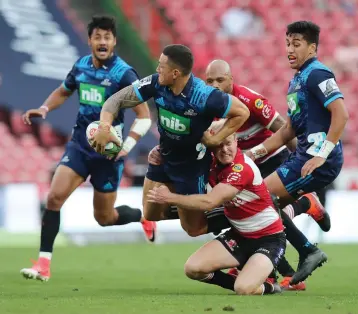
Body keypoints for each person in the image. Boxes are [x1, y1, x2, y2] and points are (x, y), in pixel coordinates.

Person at [20, 16, 155, 282]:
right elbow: (64, 90)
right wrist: (45, 108)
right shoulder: (81, 66)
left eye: (107, 37)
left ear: (114, 41)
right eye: (97, 37)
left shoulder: (124, 74)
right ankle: (43, 265)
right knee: (53, 199)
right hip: (80, 145)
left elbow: (144, 116)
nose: (102, 42)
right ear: (90, 40)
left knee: (104, 218)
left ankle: (142, 216)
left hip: (108, 154)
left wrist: (126, 146)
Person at [91, 44, 250, 235]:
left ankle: (235, 214)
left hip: (192, 166)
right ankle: (189, 208)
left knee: (193, 229)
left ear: (175, 73)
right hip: (164, 156)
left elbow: (242, 112)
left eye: (161, 66)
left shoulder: (204, 96)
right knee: (150, 213)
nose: (157, 70)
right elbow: (115, 100)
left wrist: (216, 141)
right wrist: (104, 126)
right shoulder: (155, 83)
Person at [205, 59, 330, 290]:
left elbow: (284, 129)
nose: (214, 85)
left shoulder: (250, 101)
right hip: (240, 167)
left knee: (266, 210)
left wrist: (302, 166)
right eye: (209, 81)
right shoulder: (206, 106)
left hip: (272, 160)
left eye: (220, 80)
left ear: (231, 80)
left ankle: (288, 265)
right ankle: (304, 209)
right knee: (236, 213)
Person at [249, 21, 349, 284]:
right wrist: (254, 153)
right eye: (287, 44)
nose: (289, 50)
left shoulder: (318, 74)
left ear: (312, 47)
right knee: (264, 207)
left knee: (258, 200)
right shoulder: (296, 81)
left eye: (296, 44)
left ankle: (304, 251)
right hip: (303, 156)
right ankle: (285, 262)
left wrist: (321, 155)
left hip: (316, 161)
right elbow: (288, 131)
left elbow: (341, 114)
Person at [147, 127, 285, 295]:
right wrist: (158, 154)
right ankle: (241, 280)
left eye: (228, 144)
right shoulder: (211, 160)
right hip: (240, 236)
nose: (224, 150)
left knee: (243, 289)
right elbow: (183, 151)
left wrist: (170, 197)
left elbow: (210, 201)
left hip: (269, 239)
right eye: (218, 145)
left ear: (236, 141)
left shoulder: (241, 169)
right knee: (193, 269)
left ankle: (269, 286)